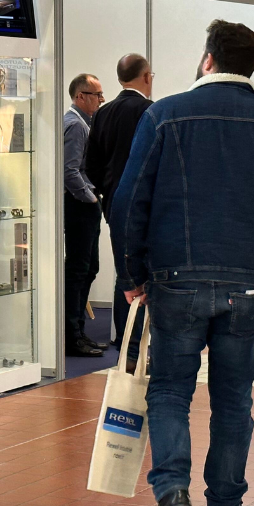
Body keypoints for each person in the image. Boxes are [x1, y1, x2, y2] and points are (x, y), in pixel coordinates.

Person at [112, 20, 254, 506]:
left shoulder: (163, 115)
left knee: (170, 392)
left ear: (208, 60)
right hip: (250, 287)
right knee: (233, 399)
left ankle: (172, 493)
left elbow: (130, 202)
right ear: (251, 66)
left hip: (174, 279)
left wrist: (132, 273)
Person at [85, 54, 153, 352]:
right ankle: (141, 343)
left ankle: (124, 341)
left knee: (124, 273)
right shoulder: (150, 112)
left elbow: (92, 164)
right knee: (148, 274)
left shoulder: (103, 112)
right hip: (146, 206)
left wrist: (108, 194)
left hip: (114, 204)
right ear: (147, 77)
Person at [64, 74, 107, 357]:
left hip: (86, 204)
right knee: (79, 271)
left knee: (89, 268)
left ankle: (79, 331)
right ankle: (72, 335)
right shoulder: (75, 126)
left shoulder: (84, 124)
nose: (101, 100)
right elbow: (70, 170)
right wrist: (90, 197)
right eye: (97, 94)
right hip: (79, 206)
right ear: (81, 96)